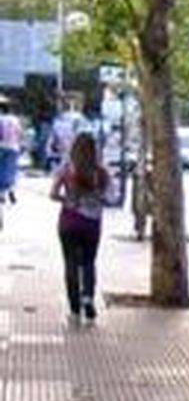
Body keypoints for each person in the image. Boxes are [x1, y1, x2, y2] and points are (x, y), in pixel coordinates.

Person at [51, 133, 110, 324]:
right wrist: (95, 199)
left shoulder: (66, 168)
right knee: (89, 262)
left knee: (70, 263)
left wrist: (68, 200)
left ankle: (74, 309)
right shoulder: (101, 171)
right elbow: (111, 199)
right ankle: (88, 298)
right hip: (92, 224)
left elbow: (53, 194)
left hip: (69, 221)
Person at [0, 96, 22, 205]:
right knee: (12, 171)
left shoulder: (0, 119)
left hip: (2, 147)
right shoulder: (16, 120)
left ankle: (2, 195)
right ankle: (12, 190)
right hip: (14, 147)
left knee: (1, 170)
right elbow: (19, 134)